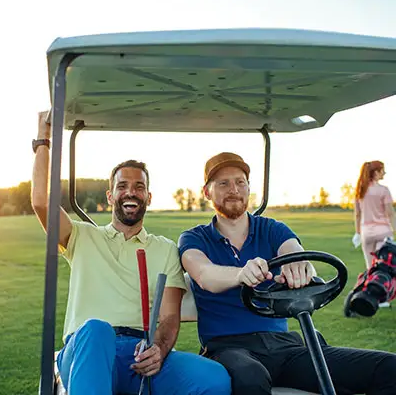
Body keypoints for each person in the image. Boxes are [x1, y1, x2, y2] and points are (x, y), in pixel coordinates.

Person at [31, 112, 231, 395]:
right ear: (110, 196)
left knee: (214, 377)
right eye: (122, 186)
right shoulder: (81, 236)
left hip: (139, 352)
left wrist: (159, 350)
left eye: (139, 187)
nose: (131, 192)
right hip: (87, 351)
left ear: (148, 197)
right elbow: (41, 201)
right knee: (97, 330)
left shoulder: (164, 249)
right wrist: (43, 139)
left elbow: (170, 317)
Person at [178, 151, 396, 395]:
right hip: (228, 348)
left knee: (388, 368)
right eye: (223, 183)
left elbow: (295, 252)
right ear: (207, 192)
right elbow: (205, 275)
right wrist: (241, 274)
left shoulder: (272, 229)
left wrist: (300, 268)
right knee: (251, 377)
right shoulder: (194, 238)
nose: (234, 189)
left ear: (249, 188)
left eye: (240, 182)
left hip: (285, 347)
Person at [353, 161, 396, 271]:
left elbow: (358, 214)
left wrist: (357, 233)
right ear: (376, 172)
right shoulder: (383, 190)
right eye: (382, 170)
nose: (384, 173)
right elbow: (390, 213)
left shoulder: (360, 190)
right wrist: (394, 229)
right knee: (385, 267)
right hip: (383, 232)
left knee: (370, 267)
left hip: (366, 232)